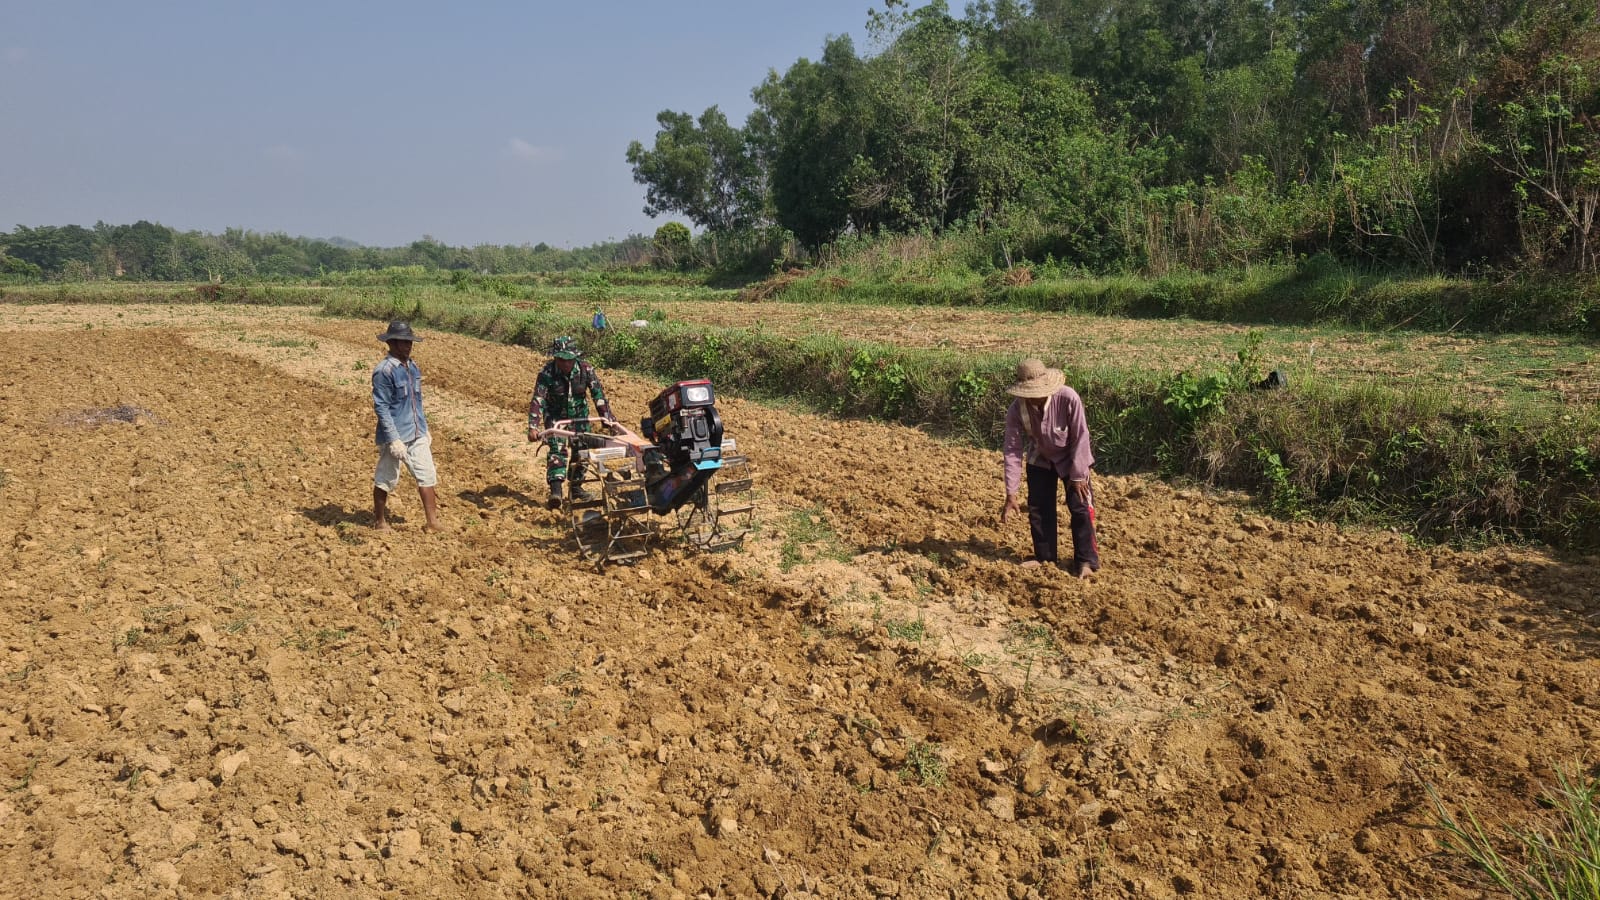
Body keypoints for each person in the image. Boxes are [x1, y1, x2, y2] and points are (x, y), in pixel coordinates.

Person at [999, 358, 1100, 577]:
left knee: (1080, 507)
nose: (1033, 397)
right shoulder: (1017, 410)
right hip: (1041, 458)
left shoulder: (1068, 398)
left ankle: (1086, 561)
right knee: (1039, 509)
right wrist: (1011, 493)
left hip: (1072, 458)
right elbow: (1013, 450)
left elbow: (1081, 437)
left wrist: (1079, 475)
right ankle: (1044, 558)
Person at [527, 336, 616, 508]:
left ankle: (576, 488)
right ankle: (556, 492)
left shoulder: (586, 370)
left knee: (582, 451)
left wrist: (608, 419)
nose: (566, 364)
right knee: (557, 449)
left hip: (579, 416)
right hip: (555, 416)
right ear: (555, 358)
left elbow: (598, 395)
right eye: (561, 359)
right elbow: (538, 400)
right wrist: (533, 426)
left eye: (569, 359)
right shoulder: (547, 373)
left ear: (575, 357)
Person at [372, 321, 442, 532]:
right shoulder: (384, 371)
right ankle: (380, 522)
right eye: (402, 342)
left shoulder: (412, 367)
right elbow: (381, 407)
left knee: (427, 473)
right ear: (391, 343)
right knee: (387, 477)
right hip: (396, 434)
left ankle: (432, 522)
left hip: (416, 431)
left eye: (409, 342)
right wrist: (393, 439)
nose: (407, 346)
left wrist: (424, 427)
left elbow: (416, 401)